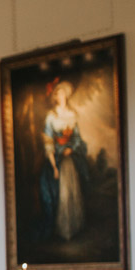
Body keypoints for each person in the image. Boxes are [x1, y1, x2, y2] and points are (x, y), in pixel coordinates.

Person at [40, 80, 89, 241]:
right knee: (55, 188)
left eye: (62, 93)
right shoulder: (51, 116)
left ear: (66, 95)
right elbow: (48, 141)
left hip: (70, 156)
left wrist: (72, 149)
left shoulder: (72, 114)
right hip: (56, 156)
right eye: (57, 93)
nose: (59, 96)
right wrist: (54, 165)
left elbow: (77, 138)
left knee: (74, 183)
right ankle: (61, 228)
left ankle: (74, 226)